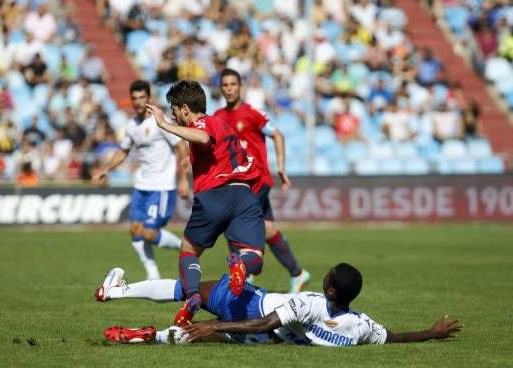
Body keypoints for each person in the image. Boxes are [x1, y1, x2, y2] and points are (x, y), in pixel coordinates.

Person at [96, 264, 462, 346]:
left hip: (251, 306)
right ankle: (153, 336)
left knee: (187, 287)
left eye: (329, 276)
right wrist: (431, 333)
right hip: (262, 341)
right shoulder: (360, 326)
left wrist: (216, 323)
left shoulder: (309, 303)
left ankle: (115, 291)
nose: (326, 275)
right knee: (198, 336)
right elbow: (394, 337)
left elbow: (264, 322)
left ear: (332, 291)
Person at [144, 80, 265, 327]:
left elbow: (202, 137)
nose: (174, 115)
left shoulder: (203, 123)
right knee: (255, 257)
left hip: (215, 195)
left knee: (189, 250)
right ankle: (241, 263)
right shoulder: (224, 124)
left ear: (186, 109)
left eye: (174, 110)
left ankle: (193, 297)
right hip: (243, 195)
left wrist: (164, 125)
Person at [213, 68, 310, 293]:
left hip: (257, 180)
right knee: (267, 228)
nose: (229, 89)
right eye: (225, 85)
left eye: (233, 85)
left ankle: (244, 274)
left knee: (234, 222)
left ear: (241, 87)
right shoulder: (218, 116)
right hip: (237, 182)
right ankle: (297, 273)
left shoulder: (252, 114)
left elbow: (277, 135)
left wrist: (282, 168)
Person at [92, 80, 189, 281]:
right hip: (141, 185)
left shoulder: (159, 121)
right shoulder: (131, 126)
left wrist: (182, 179)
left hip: (162, 186)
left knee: (149, 234)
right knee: (135, 230)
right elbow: (123, 151)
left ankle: (185, 249)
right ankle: (152, 273)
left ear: (149, 98)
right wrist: (105, 169)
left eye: (142, 97)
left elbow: (181, 148)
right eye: (134, 98)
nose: (137, 102)